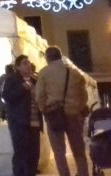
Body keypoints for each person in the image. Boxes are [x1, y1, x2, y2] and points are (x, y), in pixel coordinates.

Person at [35, 46, 90, 176]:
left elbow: (39, 96)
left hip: (54, 114)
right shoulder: (75, 73)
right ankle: (83, 173)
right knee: (78, 150)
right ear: (60, 56)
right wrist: (78, 108)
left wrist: (44, 110)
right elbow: (83, 95)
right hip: (73, 114)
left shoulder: (44, 73)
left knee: (59, 152)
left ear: (47, 58)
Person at [2, 55, 40, 176]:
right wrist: (22, 88)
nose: (28, 65)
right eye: (24, 63)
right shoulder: (12, 79)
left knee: (34, 154)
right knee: (21, 153)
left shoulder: (35, 79)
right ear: (17, 67)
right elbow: (6, 96)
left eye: (29, 62)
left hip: (35, 122)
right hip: (19, 122)